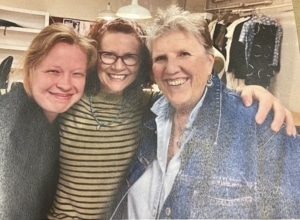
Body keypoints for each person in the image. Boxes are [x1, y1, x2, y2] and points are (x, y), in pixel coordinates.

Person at [48, 18, 296, 220]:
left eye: (184, 54)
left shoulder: (260, 126)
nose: (171, 68)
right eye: (161, 58)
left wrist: (253, 93)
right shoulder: (145, 113)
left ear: (210, 62)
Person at [0, 23, 97, 220]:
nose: (65, 84)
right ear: (31, 68)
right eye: (53, 71)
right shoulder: (10, 122)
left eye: (77, 74)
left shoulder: (56, 122)